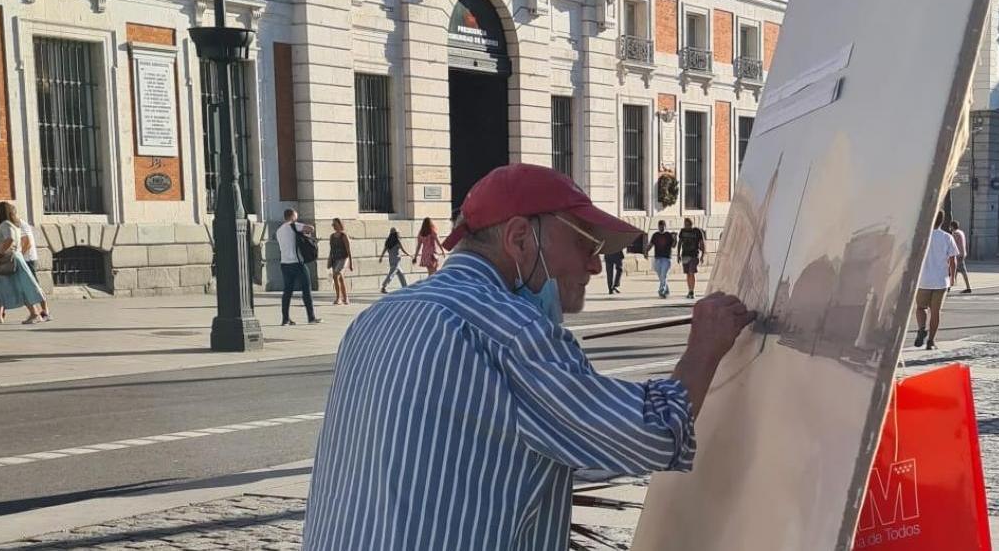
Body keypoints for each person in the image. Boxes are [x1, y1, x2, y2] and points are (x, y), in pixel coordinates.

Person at [301, 164, 754, 550]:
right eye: (586, 244)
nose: (596, 266)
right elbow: (650, 434)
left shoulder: (377, 317)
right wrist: (702, 351)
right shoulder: (509, 331)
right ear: (520, 238)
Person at [0, 202, 45, 325]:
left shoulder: (5, 224)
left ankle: (35, 313)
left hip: (9, 260)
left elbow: (10, 239)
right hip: (11, 259)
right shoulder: (13, 224)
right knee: (0, 287)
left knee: (19, 287)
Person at [913, 211, 957, 351]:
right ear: (942, 221)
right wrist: (953, 277)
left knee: (920, 307)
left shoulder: (921, 236)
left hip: (923, 280)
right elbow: (953, 259)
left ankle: (921, 329)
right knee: (935, 312)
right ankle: (931, 341)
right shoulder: (947, 237)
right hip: (941, 280)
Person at [276, 209, 321, 326]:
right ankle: (311, 317)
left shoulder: (279, 230)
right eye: (296, 216)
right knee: (306, 289)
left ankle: (285, 318)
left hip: (285, 264)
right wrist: (304, 232)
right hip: (297, 263)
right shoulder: (294, 225)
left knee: (287, 291)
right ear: (292, 216)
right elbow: (311, 228)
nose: (297, 218)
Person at [678, 217, 706, 300]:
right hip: (685, 255)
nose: (687, 226)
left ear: (691, 224)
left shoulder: (697, 231)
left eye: (688, 224)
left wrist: (702, 255)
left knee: (691, 272)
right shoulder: (682, 231)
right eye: (685, 224)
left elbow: (702, 243)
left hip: (694, 255)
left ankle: (692, 291)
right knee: (687, 274)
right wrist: (678, 254)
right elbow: (680, 242)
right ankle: (689, 290)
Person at [328, 218, 353, 305]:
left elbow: (348, 250)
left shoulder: (344, 235)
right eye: (332, 224)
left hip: (343, 259)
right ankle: (345, 298)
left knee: (335, 275)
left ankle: (338, 298)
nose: (333, 226)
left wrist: (350, 263)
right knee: (341, 278)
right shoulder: (332, 236)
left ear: (339, 224)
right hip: (335, 259)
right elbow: (331, 250)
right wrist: (329, 260)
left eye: (334, 224)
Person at [649, 220, 676, 298]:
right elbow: (651, 244)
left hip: (666, 258)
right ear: (658, 226)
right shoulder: (655, 235)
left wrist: (675, 239)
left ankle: (661, 290)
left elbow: (673, 246)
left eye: (663, 226)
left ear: (665, 226)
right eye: (660, 226)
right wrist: (646, 251)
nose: (661, 228)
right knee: (660, 276)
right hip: (657, 258)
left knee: (663, 275)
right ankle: (666, 289)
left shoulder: (668, 235)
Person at [379, 227, 408, 293]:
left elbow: (384, 250)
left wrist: (381, 257)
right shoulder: (397, 241)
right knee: (391, 274)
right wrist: (409, 254)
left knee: (401, 274)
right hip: (396, 260)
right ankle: (384, 287)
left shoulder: (388, 241)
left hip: (391, 260)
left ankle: (405, 287)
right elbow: (403, 250)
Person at [948, 220, 973, 294]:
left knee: (960, 270)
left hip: (958, 255)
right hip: (962, 253)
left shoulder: (955, 233)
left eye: (950, 226)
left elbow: (953, 244)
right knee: (956, 270)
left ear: (952, 226)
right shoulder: (961, 232)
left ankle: (968, 287)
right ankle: (950, 286)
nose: (950, 228)